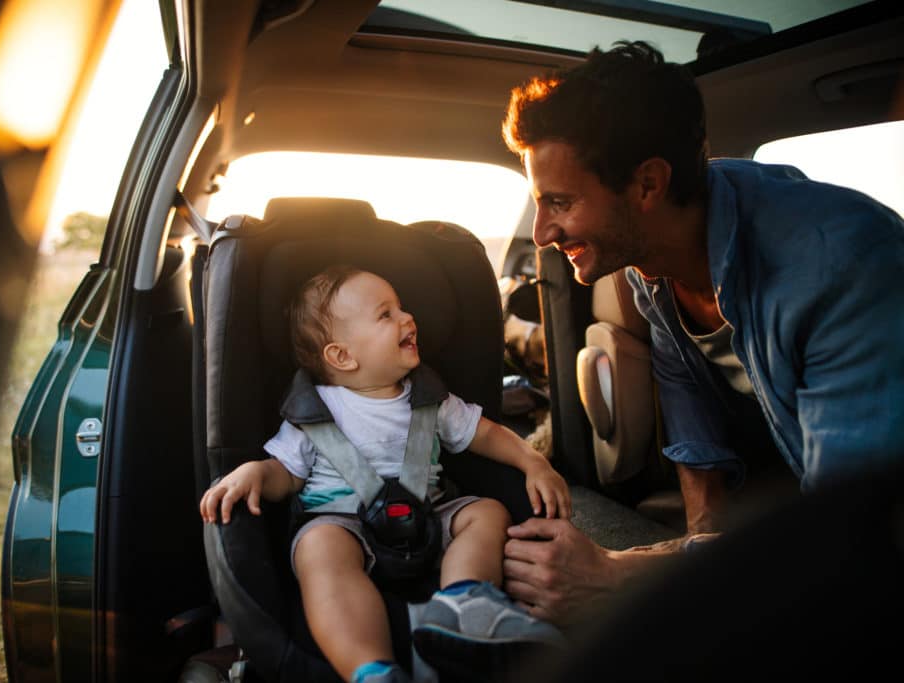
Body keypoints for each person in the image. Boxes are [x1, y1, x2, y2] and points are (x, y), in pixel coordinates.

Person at [498, 40, 904, 628]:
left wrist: (619, 577)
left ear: (647, 185)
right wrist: (700, 547)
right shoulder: (649, 265)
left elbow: (848, 538)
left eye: (559, 202)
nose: (540, 234)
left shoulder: (839, 265)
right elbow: (691, 416)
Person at [199, 265, 571, 683]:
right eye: (385, 315)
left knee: (486, 513)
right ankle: (370, 668)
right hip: (341, 522)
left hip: (431, 516)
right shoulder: (316, 410)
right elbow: (287, 472)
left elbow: (485, 435)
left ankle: (464, 601)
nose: (407, 318)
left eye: (401, 308)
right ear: (342, 355)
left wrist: (533, 461)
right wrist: (252, 473)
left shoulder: (431, 398)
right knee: (318, 549)